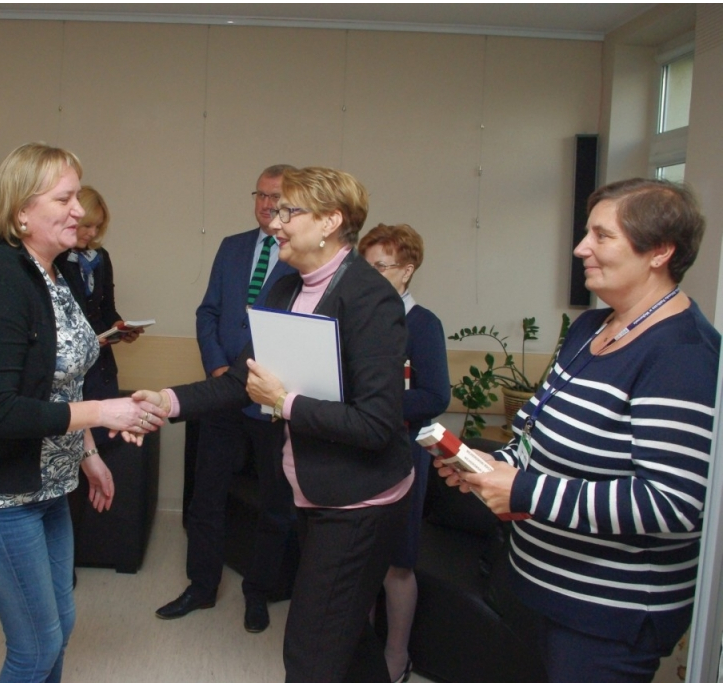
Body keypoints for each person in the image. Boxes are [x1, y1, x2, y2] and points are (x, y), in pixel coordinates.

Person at [134, 166, 413, 681]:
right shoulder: (286, 287)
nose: (276, 222)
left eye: (289, 211)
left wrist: (283, 403)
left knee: (309, 658)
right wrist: (164, 402)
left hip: (358, 503)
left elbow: (376, 424)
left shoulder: (371, 299)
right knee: (346, 640)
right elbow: (241, 378)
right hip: (314, 489)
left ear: (331, 221)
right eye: (275, 209)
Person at [437, 178, 720, 682]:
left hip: (606, 617)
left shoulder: (682, 355)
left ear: (659, 251)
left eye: (601, 236)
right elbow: (535, 428)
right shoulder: (592, 328)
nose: (580, 248)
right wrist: (496, 469)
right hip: (537, 585)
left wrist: (524, 489)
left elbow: (674, 503)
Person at [0, 142, 166, 683]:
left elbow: (58, 383)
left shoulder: (54, 274)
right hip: (0, 498)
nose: (78, 211)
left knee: (61, 621)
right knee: (35, 645)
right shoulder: (0, 280)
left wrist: (87, 453)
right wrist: (101, 413)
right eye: (65, 199)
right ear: (21, 211)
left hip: (49, 485)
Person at [155, 165, 297, 634]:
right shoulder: (232, 247)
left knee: (274, 504)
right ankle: (201, 586)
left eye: (275, 197)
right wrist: (219, 369)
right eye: (259, 194)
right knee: (206, 496)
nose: (264, 204)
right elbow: (208, 311)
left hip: (273, 400)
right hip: (222, 396)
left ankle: (257, 593)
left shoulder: (300, 254)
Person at [359, 223, 450, 682]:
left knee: (398, 561)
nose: (371, 276)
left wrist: (376, 406)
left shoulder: (423, 324)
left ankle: (395, 656)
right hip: (358, 455)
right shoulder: (358, 319)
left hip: (402, 456)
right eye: (366, 266)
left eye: (382, 267)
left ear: (407, 270)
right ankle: (366, 654)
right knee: (362, 559)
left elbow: (436, 396)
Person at [55, 186, 142, 447]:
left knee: (104, 446)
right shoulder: (54, 259)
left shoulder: (100, 258)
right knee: (70, 447)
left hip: (101, 371)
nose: (92, 233)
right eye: (87, 225)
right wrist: (88, 339)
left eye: (98, 227)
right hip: (70, 372)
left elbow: (107, 310)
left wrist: (119, 328)